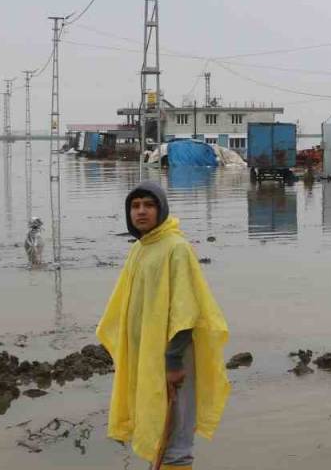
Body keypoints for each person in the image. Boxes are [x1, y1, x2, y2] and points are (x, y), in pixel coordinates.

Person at [97, 182, 230, 469]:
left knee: (176, 437)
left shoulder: (176, 248)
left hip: (174, 357)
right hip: (148, 355)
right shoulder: (142, 248)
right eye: (135, 206)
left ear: (161, 209)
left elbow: (185, 311)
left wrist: (173, 362)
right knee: (158, 427)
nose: (141, 211)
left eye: (148, 205)